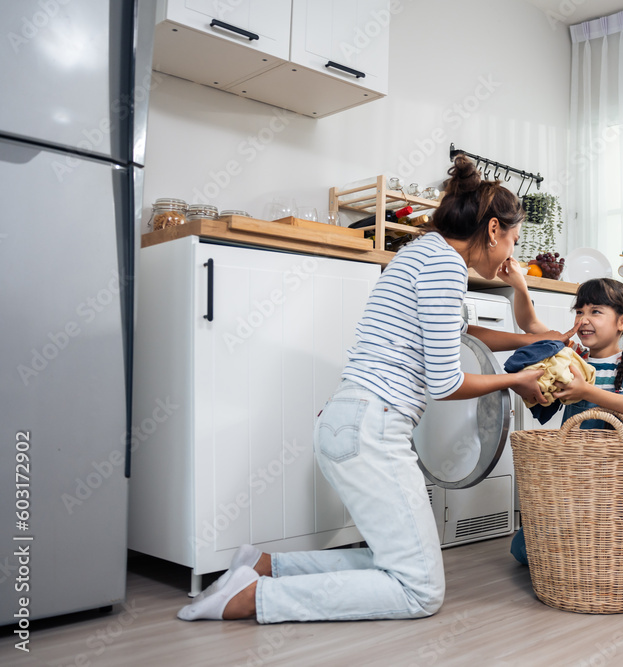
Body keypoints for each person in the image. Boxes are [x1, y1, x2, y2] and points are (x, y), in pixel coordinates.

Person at [177, 155, 574, 623]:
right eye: (512, 239)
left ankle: (263, 568)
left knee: (396, 562)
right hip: (373, 430)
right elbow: (446, 383)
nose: (511, 254)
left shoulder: (421, 253)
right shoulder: (446, 267)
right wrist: (518, 380)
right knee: (421, 590)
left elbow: (464, 335)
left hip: (347, 422)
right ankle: (254, 600)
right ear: (492, 229)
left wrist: (534, 340)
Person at [507, 277, 623, 564]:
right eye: (579, 311)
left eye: (595, 311)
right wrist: (520, 287)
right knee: (523, 549)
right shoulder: (571, 354)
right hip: (575, 476)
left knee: (602, 543)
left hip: (619, 483)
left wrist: (587, 391)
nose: (583, 319)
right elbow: (530, 325)